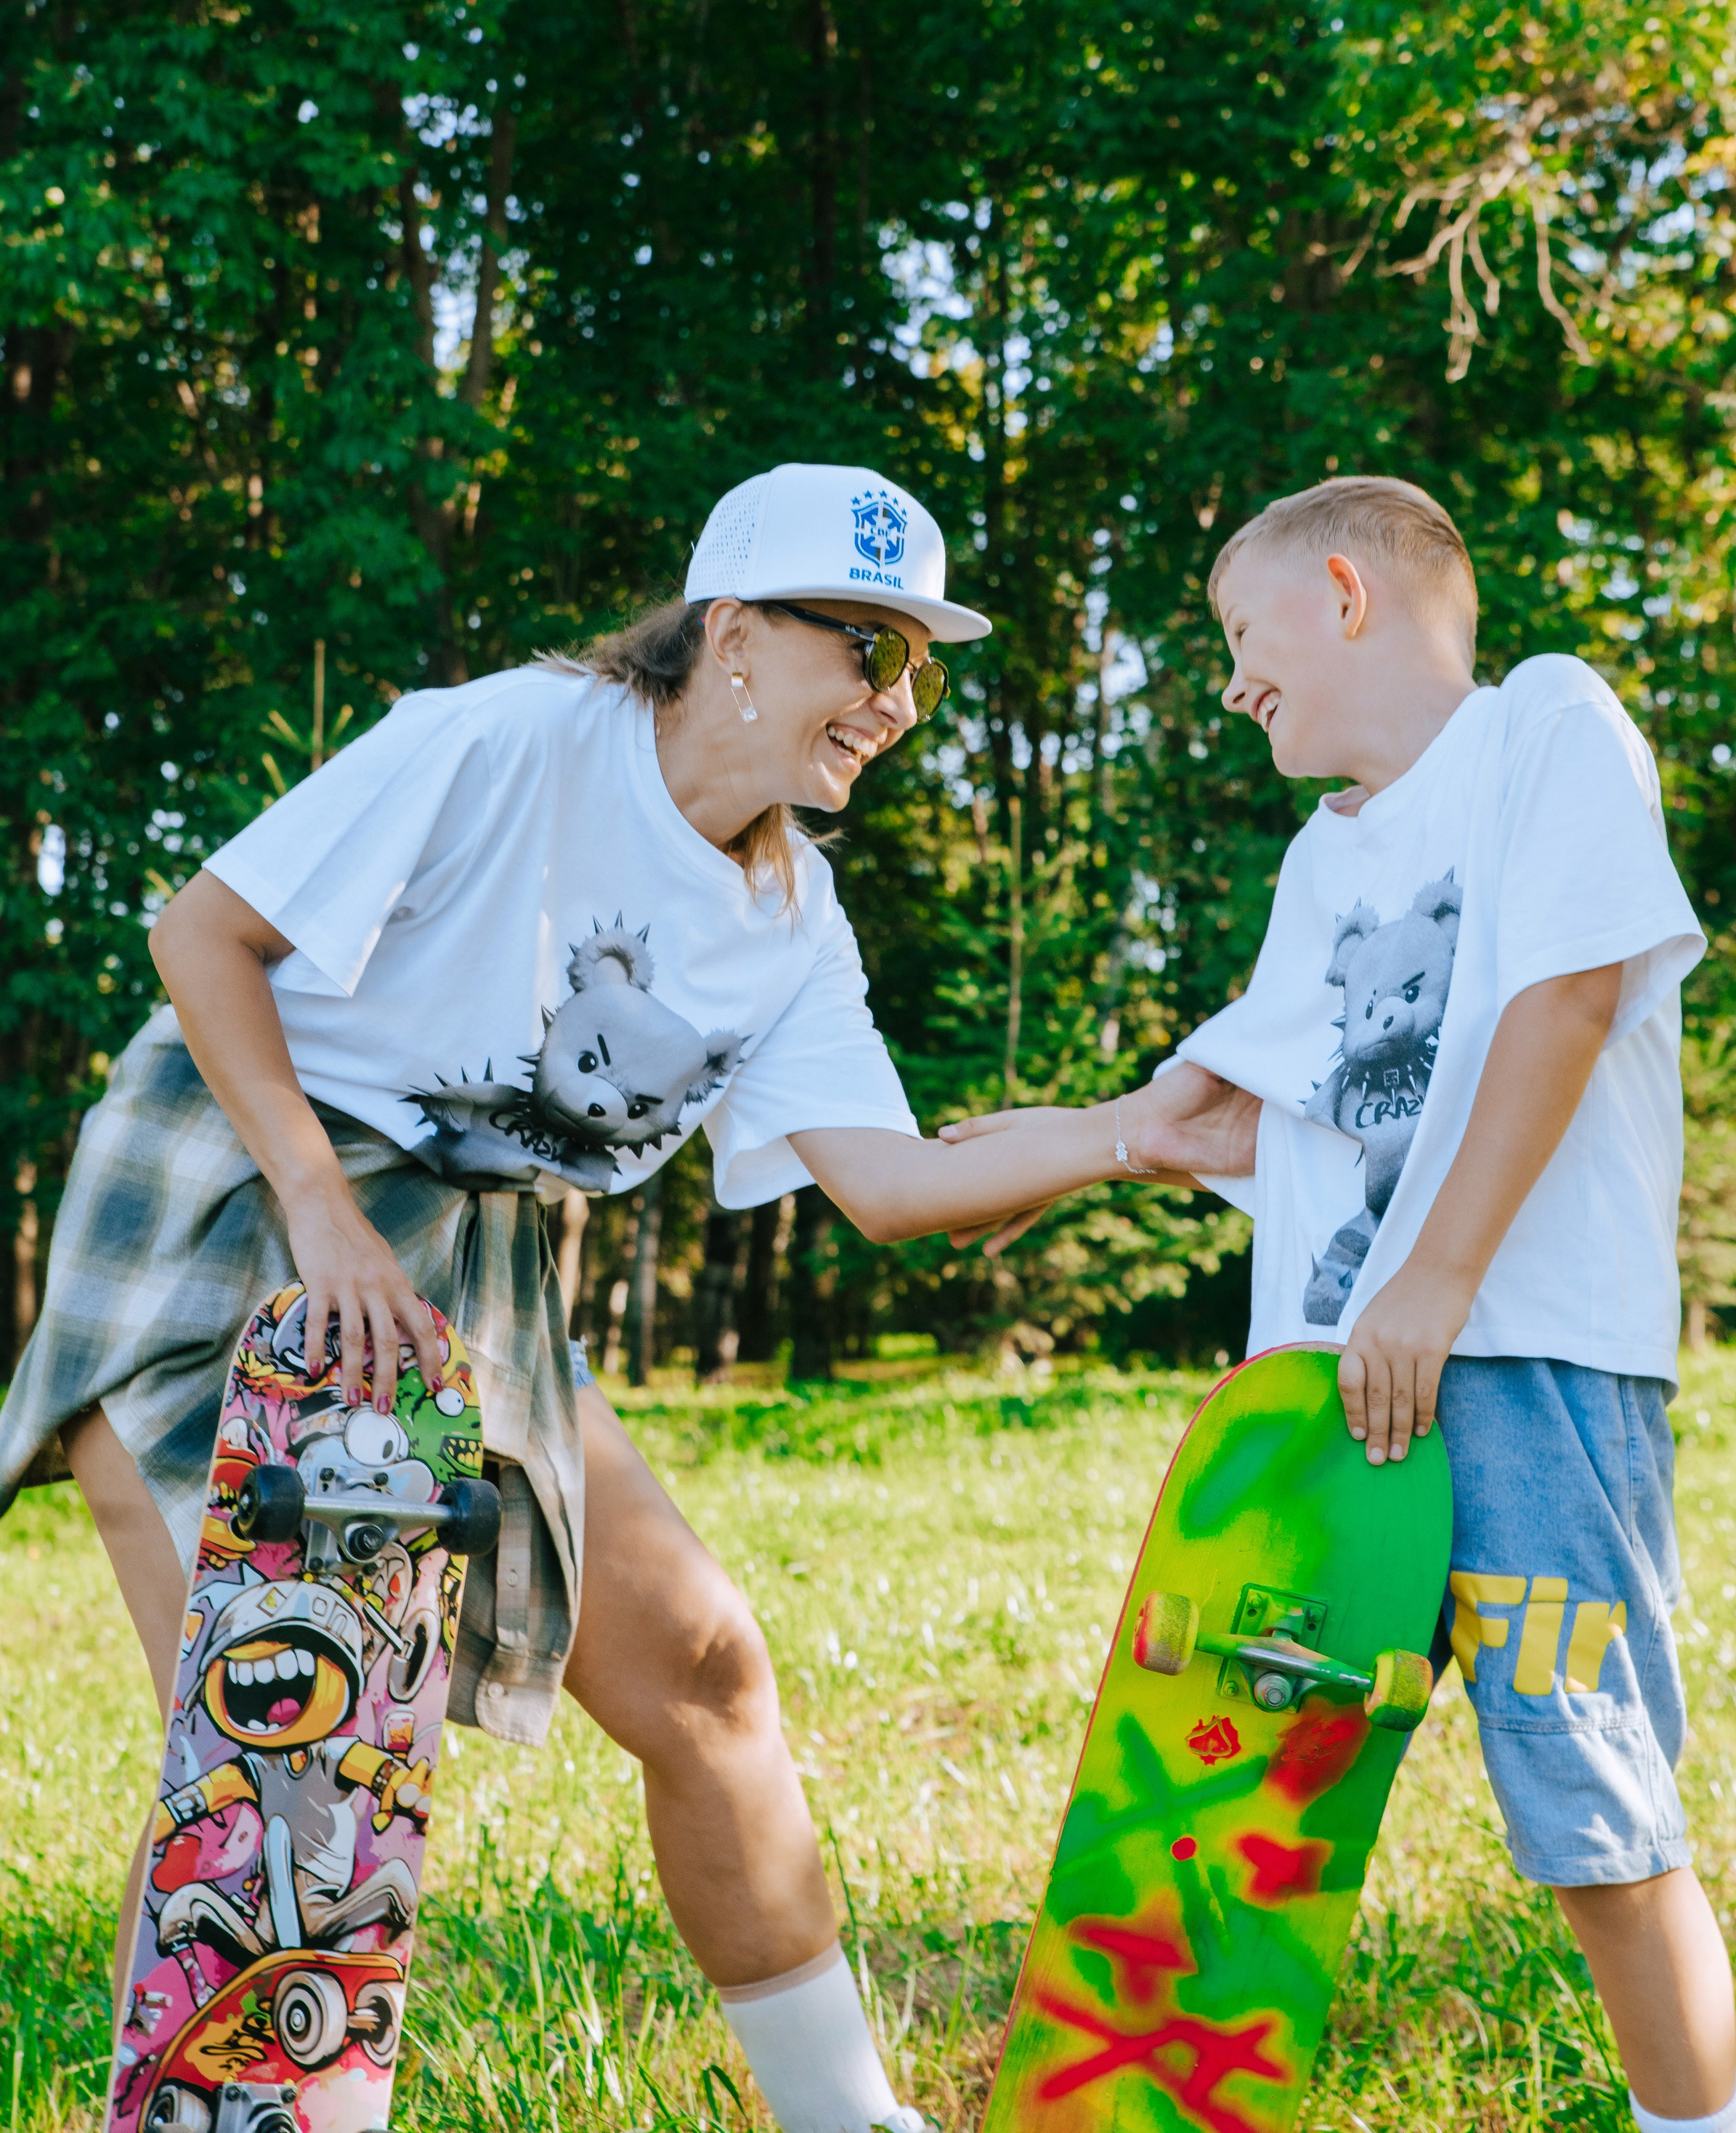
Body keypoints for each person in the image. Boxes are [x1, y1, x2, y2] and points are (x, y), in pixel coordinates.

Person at [0, 458, 1256, 2133]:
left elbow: (880, 1181)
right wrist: (318, 1206)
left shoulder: (791, 915)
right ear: (732, 632)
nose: (896, 706)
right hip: (249, 1198)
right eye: (868, 651)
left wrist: (1126, 1136)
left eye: (918, 668)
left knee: (706, 1668)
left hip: (466, 1254)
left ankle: (846, 2119)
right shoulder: (509, 739)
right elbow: (200, 934)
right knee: (284, 1780)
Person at [946, 474, 1736, 2133]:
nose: (1233, 682)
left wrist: (1434, 1283)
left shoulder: (1545, 731)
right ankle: (1141, 2101)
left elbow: (1568, 993)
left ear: (1344, 591)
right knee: (1223, 1805)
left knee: (1589, 1805)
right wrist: (1067, 1144)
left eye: (1243, 635)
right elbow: (1242, 1105)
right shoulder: (1327, 857)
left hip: (1524, 1375)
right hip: (1329, 1405)